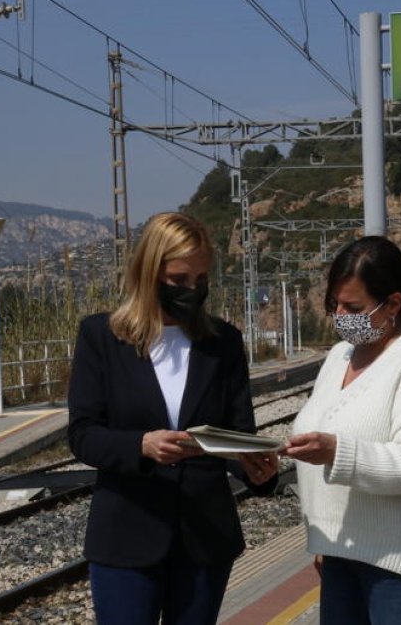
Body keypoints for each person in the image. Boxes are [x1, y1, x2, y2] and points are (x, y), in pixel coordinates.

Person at [67, 212, 279, 625]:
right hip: (126, 537)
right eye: (179, 280)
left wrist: (258, 470)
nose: (192, 290)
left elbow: (238, 435)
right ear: (150, 273)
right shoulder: (101, 338)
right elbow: (82, 434)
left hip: (205, 541)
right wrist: (140, 446)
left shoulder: (224, 343)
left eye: (201, 280)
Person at [284, 236, 401, 624]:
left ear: (394, 304)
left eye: (353, 307)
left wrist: (336, 450)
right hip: (341, 555)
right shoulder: (339, 357)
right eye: (333, 304)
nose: (339, 315)